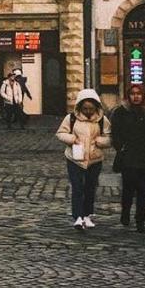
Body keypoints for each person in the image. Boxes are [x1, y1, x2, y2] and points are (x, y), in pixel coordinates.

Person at [111, 83, 145, 233]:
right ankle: (125, 213)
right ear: (128, 96)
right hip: (128, 155)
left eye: (139, 94)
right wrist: (120, 147)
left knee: (143, 190)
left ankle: (140, 221)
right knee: (128, 188)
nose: (136, 96)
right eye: (133, 94)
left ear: (143, 95)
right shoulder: (121, 112)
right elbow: (115, 132)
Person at [56, 88, 111, 230]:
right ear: (80, 106)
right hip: (75, 158)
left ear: (96, 107)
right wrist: (72, 139)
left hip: (94, 158)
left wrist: (100, 141)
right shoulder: (71, 118)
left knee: (90, 188)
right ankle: (78, 217)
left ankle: (87, 215)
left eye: (91, 108)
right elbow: (61, 133)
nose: (88, 111)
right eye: (85, 108)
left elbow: (110, 137)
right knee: (77, 187)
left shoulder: (102, 120)